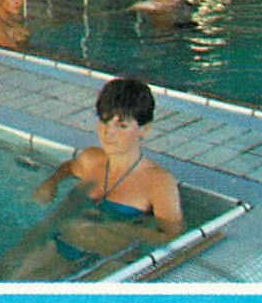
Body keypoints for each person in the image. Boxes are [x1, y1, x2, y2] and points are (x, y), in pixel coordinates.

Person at [31, 78, 182, 236]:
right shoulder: (91, 159)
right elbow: (69, 167)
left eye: (121, 125)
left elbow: (170, 237)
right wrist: (51, 183)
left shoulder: (158, 182)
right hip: (62, 242)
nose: (108, 133)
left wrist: (113, 227)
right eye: (104, 121)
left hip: (111, 257)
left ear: (144, 129)